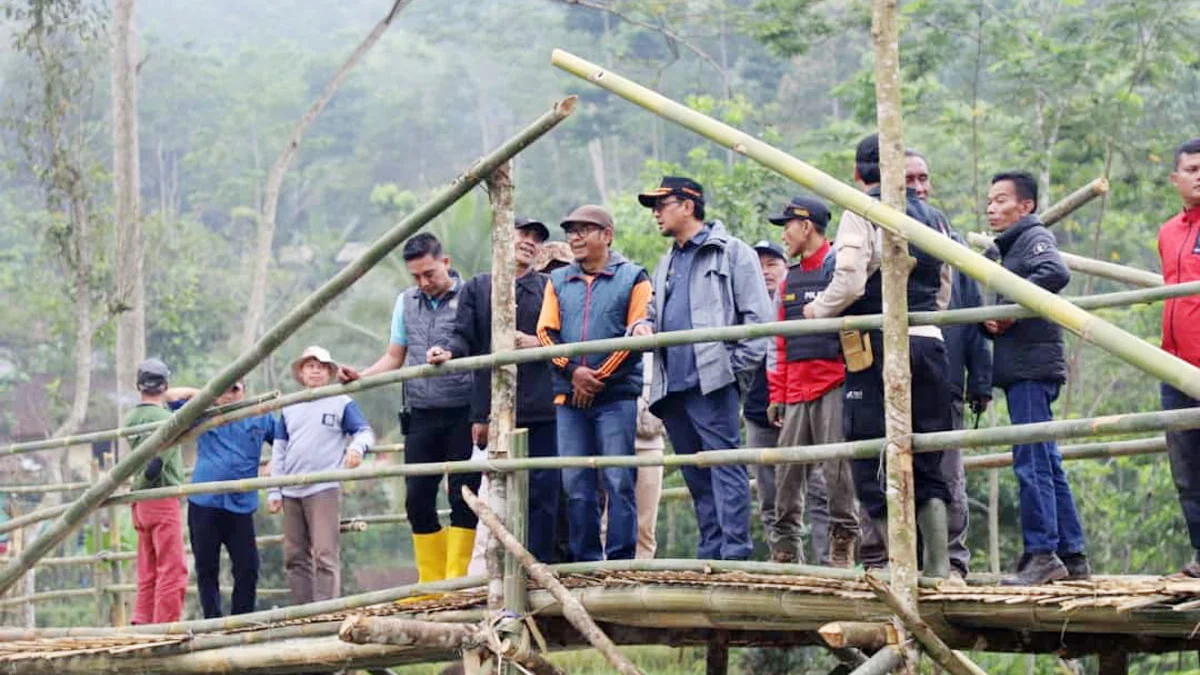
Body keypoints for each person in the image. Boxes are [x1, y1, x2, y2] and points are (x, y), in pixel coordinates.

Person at [803, 134, 953, 577]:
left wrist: (819, 309)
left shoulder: (862, 210)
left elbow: (849, 279)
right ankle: (939, 568)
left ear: (856, 173)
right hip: (928, 340)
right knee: (926, 450)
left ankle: (898, 564)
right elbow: (945, 283)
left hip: (877, 342)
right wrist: (927, 317)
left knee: (871, 453)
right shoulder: (934, 217)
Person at [632, 177, 773, 561]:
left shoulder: (731, 252)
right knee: (696, 474)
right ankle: (710, 553)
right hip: (672, 386)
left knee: (724, 467)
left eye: (662, 205)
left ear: (688, 205)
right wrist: (642, 325)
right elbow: (653, 312)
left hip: (712, 382)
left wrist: (730, 371)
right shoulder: (667, 262)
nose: (656, 213)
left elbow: (759, 320)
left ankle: (735, 555)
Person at [339, 233, 478, 584]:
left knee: (464, 497)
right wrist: (362, 375)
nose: (423, 282)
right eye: (415, 276)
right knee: (417, 500)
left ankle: (457, 581)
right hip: (420, 412)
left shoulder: (471, 297)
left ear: (445, 263)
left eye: (429, 273)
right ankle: (431, 583)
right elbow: (394, 355)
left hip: (464, 411)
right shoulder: (406, 302)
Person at [427, 217, 559, 565]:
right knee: (496, 489)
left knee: (545, 490)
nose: (529, 241)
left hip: (543, 405)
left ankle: (540, 565)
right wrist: (448, 352)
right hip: (497, 409)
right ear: (502, 237)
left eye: (536, 237)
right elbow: (463, 336)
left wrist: (536, 342)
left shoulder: (549, 286)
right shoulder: (479, 287)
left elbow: (560, 337)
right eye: (523, 233)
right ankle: (496, 569)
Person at [981, 171, 1089, 585]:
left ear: (1025, 207)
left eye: (1002, 200)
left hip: (1031, 366)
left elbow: (1054, 272)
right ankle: (1071, 554)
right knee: (1045, 459)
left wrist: (1008, 309)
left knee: (1032, 462)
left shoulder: (1032, 238)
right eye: (989, 200)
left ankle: (1042, 553)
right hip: (1024, 365)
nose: (992, 207)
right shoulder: (1007, 247)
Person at [536, 204, 651, 562]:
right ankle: (585, 561)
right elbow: (544, 333)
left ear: (607, 235)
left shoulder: (634, 277)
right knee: (576, 483)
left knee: (619, 478)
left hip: (615, 396)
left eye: (584, 229)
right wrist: (573, 373)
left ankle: (619, 561)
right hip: (568, 397)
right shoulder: (557, 281)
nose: (575, 237)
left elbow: (637, 333)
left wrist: (596, 377)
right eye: (571, 231)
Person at [900, 149, 993, 580]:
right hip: (897, 376)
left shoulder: (950, 241)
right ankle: (904, 561)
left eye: (923, 177)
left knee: (946, 472)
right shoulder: (884, 236)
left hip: (947, 375)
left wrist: (982, 381)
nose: (918, 187)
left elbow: (973, 313)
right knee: (895, 469)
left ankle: (952, 563)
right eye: (909, 179)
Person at [766, 196, 860, 567]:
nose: (784, 235)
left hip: (835, 381)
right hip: (795, 388)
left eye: (787, 225)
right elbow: (778, 342)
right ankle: (786, 547)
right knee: (787, 471)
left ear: (806, 226)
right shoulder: (789, 278)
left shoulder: (839, 267)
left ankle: (843, 542)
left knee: (839, 470)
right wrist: (778, 394)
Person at [269, 346, 374, 604]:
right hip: (290, 487)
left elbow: (364, 432)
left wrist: (356, 448)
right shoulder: (290, 406)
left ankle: (325, 611)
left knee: (325, 553)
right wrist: (274, 489)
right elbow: (279, 449)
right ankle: (302, 614)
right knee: (295, 555)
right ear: (301, 373)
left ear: (329, 372)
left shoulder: (341, 402)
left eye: (320, 366)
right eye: (309, 366)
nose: (315, 370)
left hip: (323, 487)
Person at [173, 380, 275, 618]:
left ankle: (242, 620)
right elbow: (168, 398)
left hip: (241, 504)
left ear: (244, 391)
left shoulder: (259, 415)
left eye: (235, 389)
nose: (229, 394)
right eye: (224, 389)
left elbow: (286, 439)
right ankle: (213, 622)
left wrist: (274, 462)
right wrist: (201, 393)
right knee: (206, 567)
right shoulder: (203, 412)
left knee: (248, 568)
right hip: (204, 503)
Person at [1160, 138, 1200, 578]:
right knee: (1187, 469)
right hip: (1172, 366)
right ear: (1176, 179)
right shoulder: (1169, 231)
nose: (1199, 175)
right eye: (1191, 168)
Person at [124, 358, 189, 624]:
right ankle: (166, 626)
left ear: (138, 385)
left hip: (140, 503)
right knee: (172, 567)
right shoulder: (167, 420)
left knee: (148, 567)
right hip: (161, 497)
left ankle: (143, 621)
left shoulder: (131, 419)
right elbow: (157, 464)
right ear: (165, 385)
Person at [634, 352, 666, 559]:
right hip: (609, 437)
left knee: (646, 522)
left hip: (650, 441)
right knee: (606, 518)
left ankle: (642, 568)